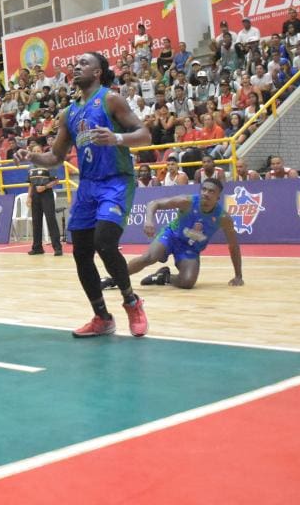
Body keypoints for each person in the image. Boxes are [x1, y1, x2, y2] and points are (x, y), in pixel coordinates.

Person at [22, 52, 152, 338]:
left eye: (84, 63)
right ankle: (102, 316)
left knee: (104, 241)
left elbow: (145, 135)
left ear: (97, 72)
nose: (76, 65)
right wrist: (32, 156)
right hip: (88, 186)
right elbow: (56, 156)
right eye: (75, 62)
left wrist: (117, 138)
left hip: (116, 181)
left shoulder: (110, 99)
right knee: (81, 252)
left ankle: (132, 301)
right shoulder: (68, 113)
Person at [102, 178, 243, 290]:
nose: (206, 193)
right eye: (204, 189)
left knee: (187, 282)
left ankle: (165, 277)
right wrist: (149, 220)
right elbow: (154, 203)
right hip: (171, 236)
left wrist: (238, 275)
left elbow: (233, 246)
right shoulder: (186, 202)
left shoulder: (223, 218)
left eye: (211, 191)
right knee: (149, 257)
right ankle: (113, 280)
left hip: (190, 248)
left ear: (218, 197)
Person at [26, 156, 63, 256]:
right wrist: (29, 196)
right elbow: (30, 184)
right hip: (35, 195)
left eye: (38, 151)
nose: (37, 153)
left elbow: (56, 181)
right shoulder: (30, 167)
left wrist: (45, 187)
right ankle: (37, 247)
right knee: (36, 221)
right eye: (35, 152)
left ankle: (57, 248)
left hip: (46, 194)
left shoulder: (48, 165)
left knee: (51, 220)